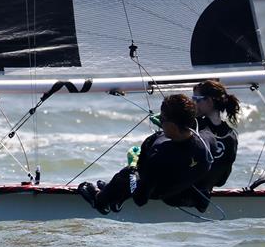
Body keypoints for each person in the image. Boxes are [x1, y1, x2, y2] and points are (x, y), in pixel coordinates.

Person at [79, 94, 215, 214]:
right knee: (156, 142)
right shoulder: (208, 140)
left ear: (173, 126)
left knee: (128, 174)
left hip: (159, 191)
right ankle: (117, 196)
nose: (160, 121)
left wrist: (132, 166)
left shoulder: (159, 155)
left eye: (162, 119)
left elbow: (140, 199)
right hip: (182, 191)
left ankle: (100, 201)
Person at [192, 80, 239, 192]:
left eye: (196, 99)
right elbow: (222, 179)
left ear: (209, 101)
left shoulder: (194, 127)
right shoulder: (231, 134)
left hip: (189, 189)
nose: (193, 103)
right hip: (210, 187)